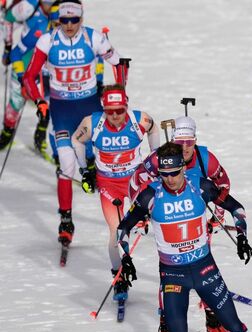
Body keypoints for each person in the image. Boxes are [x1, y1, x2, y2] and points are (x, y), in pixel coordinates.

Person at [116, 142, 252, 332]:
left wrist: (243, 237)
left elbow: (237, 208)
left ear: (183, 167)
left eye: (175, 173)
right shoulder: (150, 195)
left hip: (205, 269)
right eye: (164, 174)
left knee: (237, 327)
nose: (170, 180)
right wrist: (126, 258)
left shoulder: (200, 186)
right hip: (173, 276)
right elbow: (123, 228)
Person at [21, 0, 127, 249]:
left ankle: (128, 209)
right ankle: (66, 221)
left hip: (90, 108)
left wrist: (120, 94)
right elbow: (29, 76)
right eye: (64, 20)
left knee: (110, 157)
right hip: (62, 111)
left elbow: (119, 63)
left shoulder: (95, 39)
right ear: (59, 19)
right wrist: (39, 101)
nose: (69, 25)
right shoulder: (47, 41)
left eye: (74, 20)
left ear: (81, 18)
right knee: (66, 165)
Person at [128, 116, 234, 332]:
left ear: (195, 140)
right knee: (170, 272)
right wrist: (141, 210)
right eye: (180, 142)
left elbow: (223, 185)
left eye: (188, 142)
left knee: (205, 270)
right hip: (168, 221)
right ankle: (166, 322)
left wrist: (218, 216)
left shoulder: (206, 158)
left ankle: (212, 318)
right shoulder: (160, 159)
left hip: (196, 222)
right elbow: (135, 181)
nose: (184, 147)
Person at [70, 85, 157, 303]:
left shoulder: (140, 120)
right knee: (115, 233)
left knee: (160, 221)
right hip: (108, 185)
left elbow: (154, 129)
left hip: (136, 181)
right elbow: (76, 140)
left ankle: (178, 266)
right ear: (104, 108)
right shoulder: (93, 123)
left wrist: (155, 158)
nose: (116, 116)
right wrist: (84, 169)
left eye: (120, 110)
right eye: (110, 111)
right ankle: (118, 276)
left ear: (126, 106)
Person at [0, 0, 57, 152]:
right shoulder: (29, 6)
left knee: (50, 102)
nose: (49, 6)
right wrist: (7, 47)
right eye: (46, 2)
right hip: (25, 60)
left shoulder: (64, 9)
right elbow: (8, 20)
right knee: (17, 101)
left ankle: (40, 135)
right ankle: (7, 133)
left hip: (47, 67)